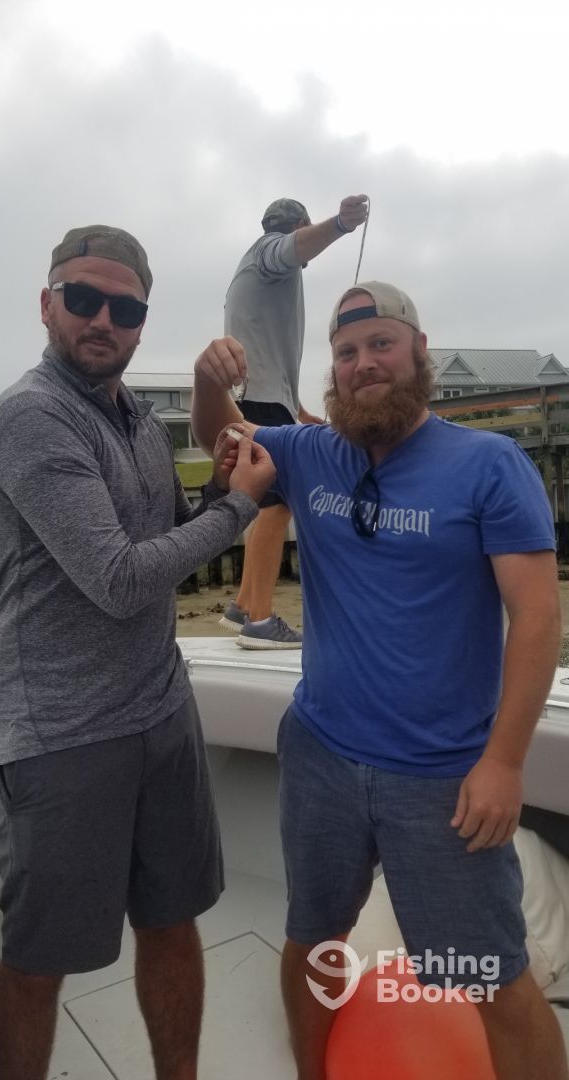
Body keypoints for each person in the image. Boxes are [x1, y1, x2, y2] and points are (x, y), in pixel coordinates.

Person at [191, 281, 568, 1080]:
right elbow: (223, 440)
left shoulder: (488, 465)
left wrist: (503, 763)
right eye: (345, 353)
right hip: (320, 754)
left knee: (488, 975)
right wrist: (206, 381)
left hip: (442, 775)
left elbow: (537, 618)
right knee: (314, 938)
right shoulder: (307, 452)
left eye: (380, 345)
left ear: (419, 352)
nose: (362, 364)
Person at [0, 225, 275, 1080]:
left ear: (143, 321)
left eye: (126, 308)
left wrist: (217, 486)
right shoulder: (30, 416)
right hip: (62, 733)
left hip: (159, 707)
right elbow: (118, 579)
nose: (102, 319)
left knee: (173, 920)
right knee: (39, 960)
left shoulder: (139, 420)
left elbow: (168, 536)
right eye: (83, 299)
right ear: (47, 305)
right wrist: (243, 506)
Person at [219, 194, 369, 649]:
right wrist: (340, 224)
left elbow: (266, 355)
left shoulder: (260, 273)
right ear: (298, 225)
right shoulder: (269, 253)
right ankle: (261, 621)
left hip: (266, 401)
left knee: (270, 504)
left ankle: (243, 606)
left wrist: (299, 411)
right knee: (276, 506)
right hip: (260, 403)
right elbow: (294, 246)